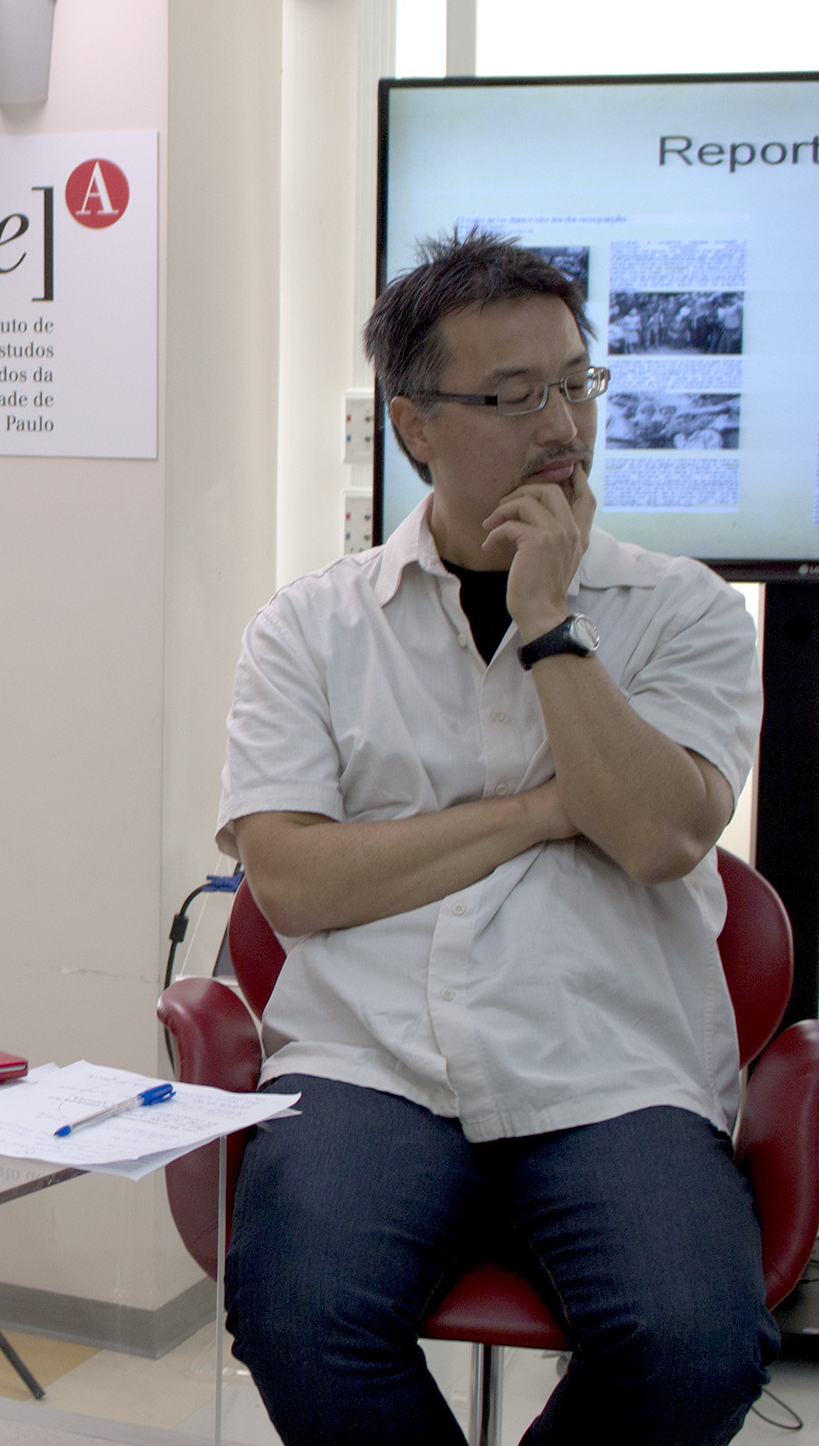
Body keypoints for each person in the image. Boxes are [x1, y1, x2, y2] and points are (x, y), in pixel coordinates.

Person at [217, 231, 773, 1444]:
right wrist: (535, 811)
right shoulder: (311, 627)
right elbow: (296, 885)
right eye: (512, 395)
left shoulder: (680, 611)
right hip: (370, 1059)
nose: (561, 424)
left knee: (699, 1343)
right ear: (414, 426)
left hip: (609, 1061)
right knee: (295, 1313)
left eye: (575, 381)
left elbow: (661, 836)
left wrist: (549, 624)